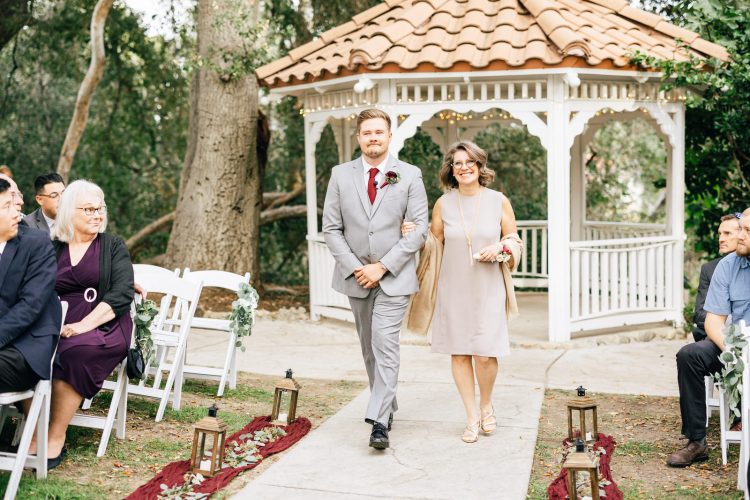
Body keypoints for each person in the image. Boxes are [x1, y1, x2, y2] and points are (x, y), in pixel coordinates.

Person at [322, 108, 428, 450]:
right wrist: (357, 268)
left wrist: (381, 266)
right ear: (358, 138)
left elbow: (418, 230)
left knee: (385, 344)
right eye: (366, 132)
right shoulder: (340, 175)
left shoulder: (409, 175)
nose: (373, 138)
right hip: (356, 278)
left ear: (389, 135)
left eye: (379, 132)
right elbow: (332, 228)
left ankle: (379, 422)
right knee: (369, 348)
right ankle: (388, 404)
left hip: (393, 277)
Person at [404, 141, 521, 443]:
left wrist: (501, 247)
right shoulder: (444, 203)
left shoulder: (498, 201)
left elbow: (513, 239)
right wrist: (413, 234)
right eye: (458, 163)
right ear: (451, 170)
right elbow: (434, 243)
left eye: (470, 162)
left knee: (484, 353)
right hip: (453, 286)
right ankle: (471, 417)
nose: (464, 167)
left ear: (481, 167)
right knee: (459, 354)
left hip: (488, 287)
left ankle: (486, 405)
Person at [29, 180, 134, 468]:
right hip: (57, 321)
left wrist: (84, 324)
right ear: (67, 212)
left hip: (105, 325)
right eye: (88, 209)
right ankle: (33, 429)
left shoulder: (112, 246)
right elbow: (34, 288)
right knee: (24, 352)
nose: (97, 215)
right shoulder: (52, 248)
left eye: (100, 208)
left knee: (74, 350)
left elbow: (122, 292)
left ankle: (55, 434)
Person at [667, 207, 750, 467]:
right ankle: (696, 442)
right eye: (742, 229)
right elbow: (714, 320)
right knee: (690, 355)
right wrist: (732, 352)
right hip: (732, 346)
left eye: (747, 231)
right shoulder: (728, 265)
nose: (739, 236)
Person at [0, 178, 62, 395]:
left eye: (14, 203)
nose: (17, 212)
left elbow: (30, 305)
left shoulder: (37, 244)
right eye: (7, 206)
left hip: (23, 348)